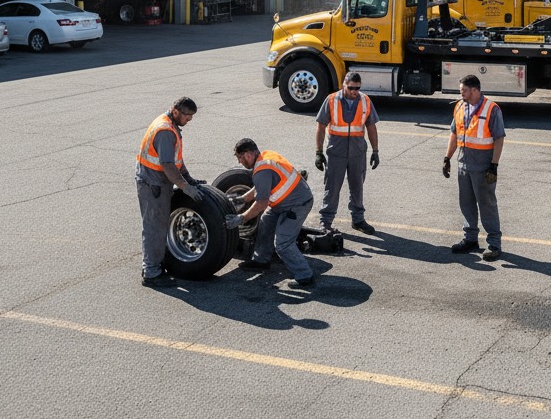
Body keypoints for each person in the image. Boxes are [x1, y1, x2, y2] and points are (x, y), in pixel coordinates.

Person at [225, 138, 316, 288]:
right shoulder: (266, 157)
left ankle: (305, 275)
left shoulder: (262, 169)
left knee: (283, 244)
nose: (240, 162)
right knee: (265, 222)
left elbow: (261, 203)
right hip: (284, 202)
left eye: (240, 158)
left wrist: (241, 218)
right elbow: (261, 187)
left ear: (247, 154)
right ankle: (261, 261)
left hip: (297, 204)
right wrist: (243, 199)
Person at [135, 97, 204, 286]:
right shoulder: (165, 131)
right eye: (187, 116)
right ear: (176, 112)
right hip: (153, 184)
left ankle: (154, 264)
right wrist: (185, 187)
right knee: (154, 228)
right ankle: (151, 273)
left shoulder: (171, 126)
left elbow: (175, 161)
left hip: (156, 181)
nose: (189, 120)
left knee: (159, 225)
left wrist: (189, 179)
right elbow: (167, 165)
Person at [442, 74, 505, 262]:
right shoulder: (460, 106)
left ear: (475, 90)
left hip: (483, 164)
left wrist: (494, 165)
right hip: (464, 162)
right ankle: (470, 239)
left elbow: (499, 138)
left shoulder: (491, 108)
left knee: (487, 205)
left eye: (464, 90)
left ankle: (494, 244)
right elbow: (454, 134)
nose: (460, 93)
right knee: (466, 202)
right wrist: (447, 157)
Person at [314, 69, 380, 234]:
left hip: (357, 152)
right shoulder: (331, 100)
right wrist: (318, 152)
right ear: (343, 85)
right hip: (336, 152)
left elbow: (371, 127)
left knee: (357, 187)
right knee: (332, 187)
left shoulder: (365, 100)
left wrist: (375, 151)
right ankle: (325, 222)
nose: (354, 92)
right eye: (351, 88)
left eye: (357, 88)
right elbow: (321, 126)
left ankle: (358, 220)